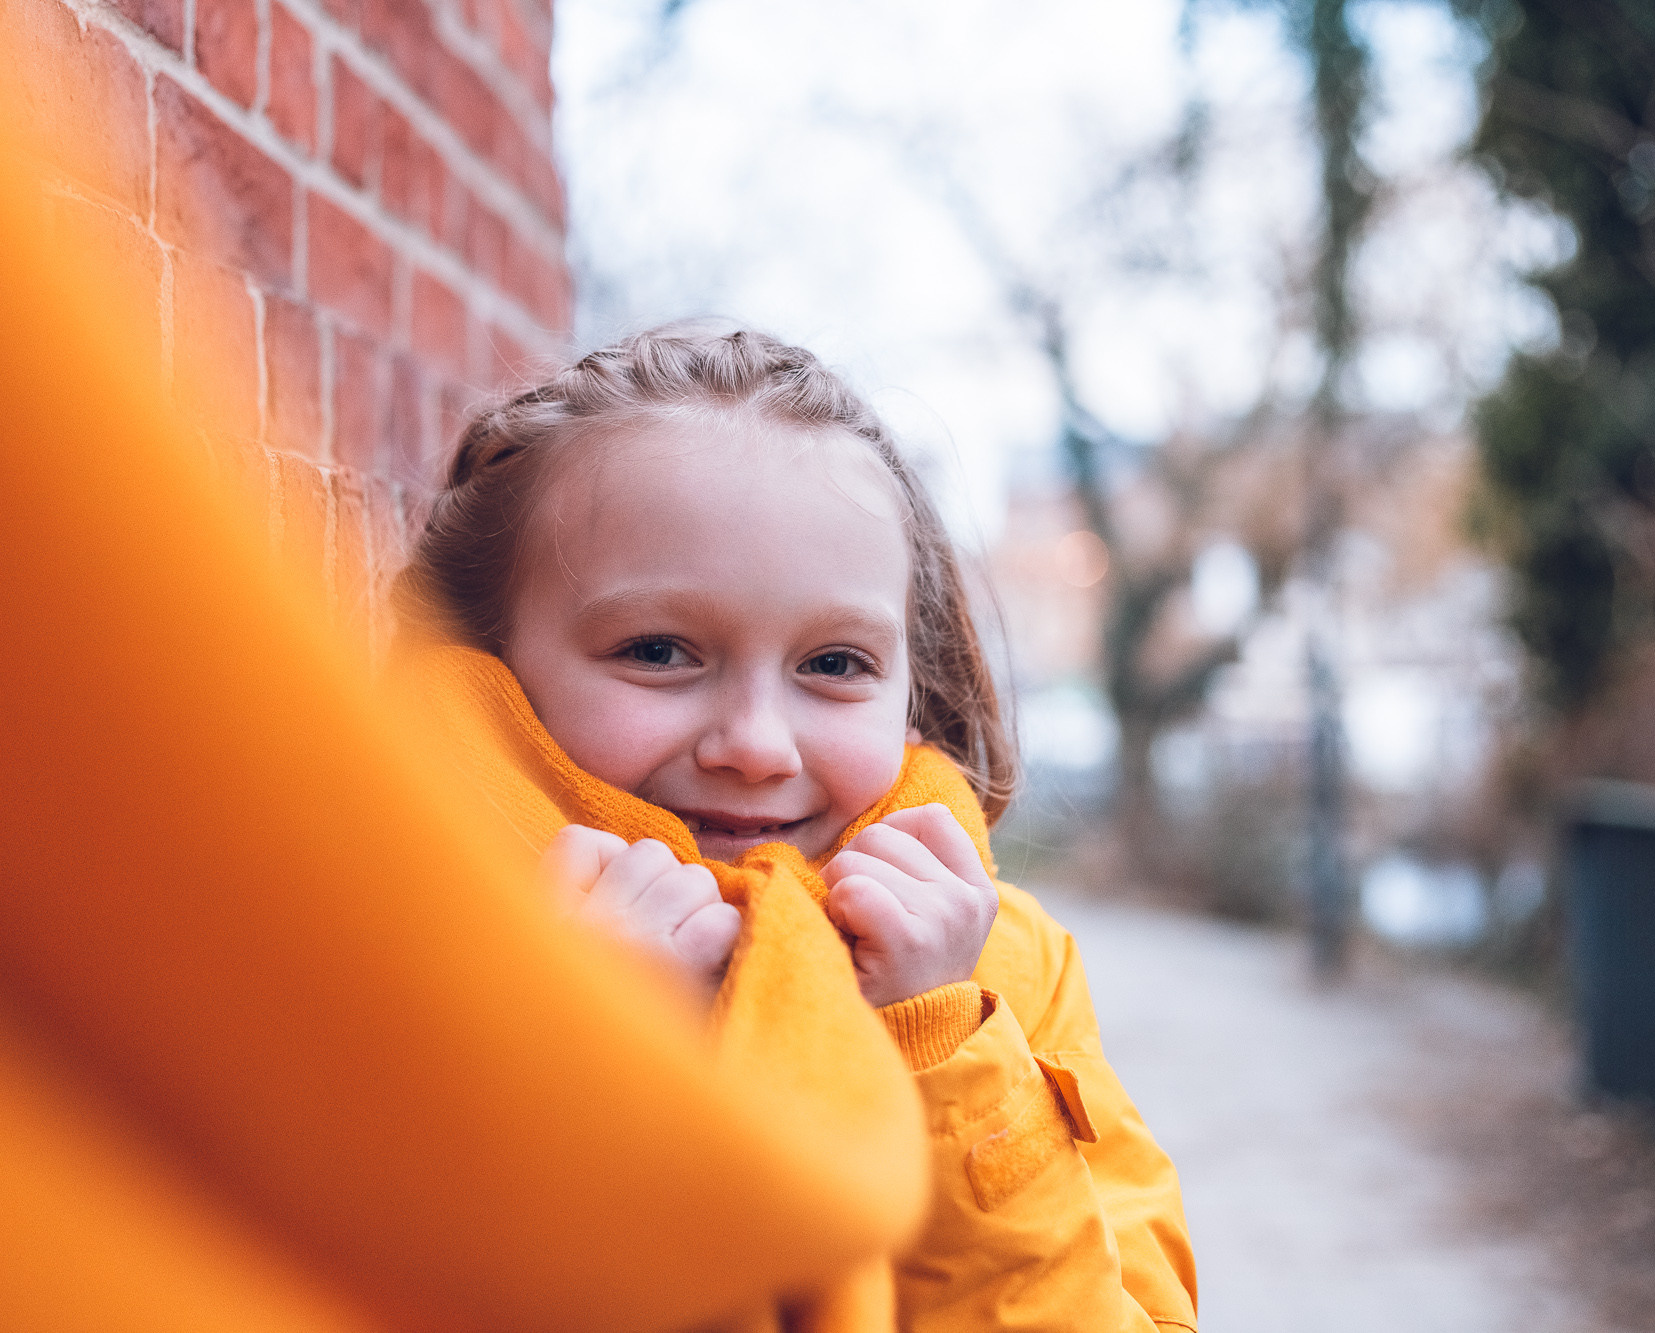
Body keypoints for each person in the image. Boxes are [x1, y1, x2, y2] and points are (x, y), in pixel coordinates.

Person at [397, 324, 1198, 1332]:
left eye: (832, 664)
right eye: (656, 649)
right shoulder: (388, 939)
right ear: (482, 656)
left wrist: (947, 1058)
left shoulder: (1003, 967)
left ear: (913, 688)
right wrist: (566, 1080)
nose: (757, 744)